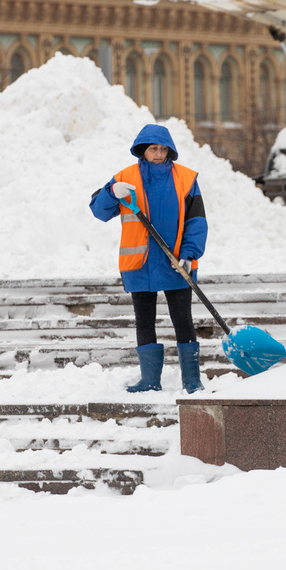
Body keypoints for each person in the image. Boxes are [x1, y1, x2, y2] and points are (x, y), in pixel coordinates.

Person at [89, 124, 208, 394]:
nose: (158, 153)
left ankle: (192, 380)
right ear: (143, 149)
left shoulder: (186, 179)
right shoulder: (125, 178)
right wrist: (110, 192)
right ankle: (149, 379)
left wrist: (190, 254)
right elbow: (99, 212)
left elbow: (197, 220)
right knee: (144, 321)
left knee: (183, 319)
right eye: (153, 148)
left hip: (176, 262)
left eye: (163, 148)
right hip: (139, 263)